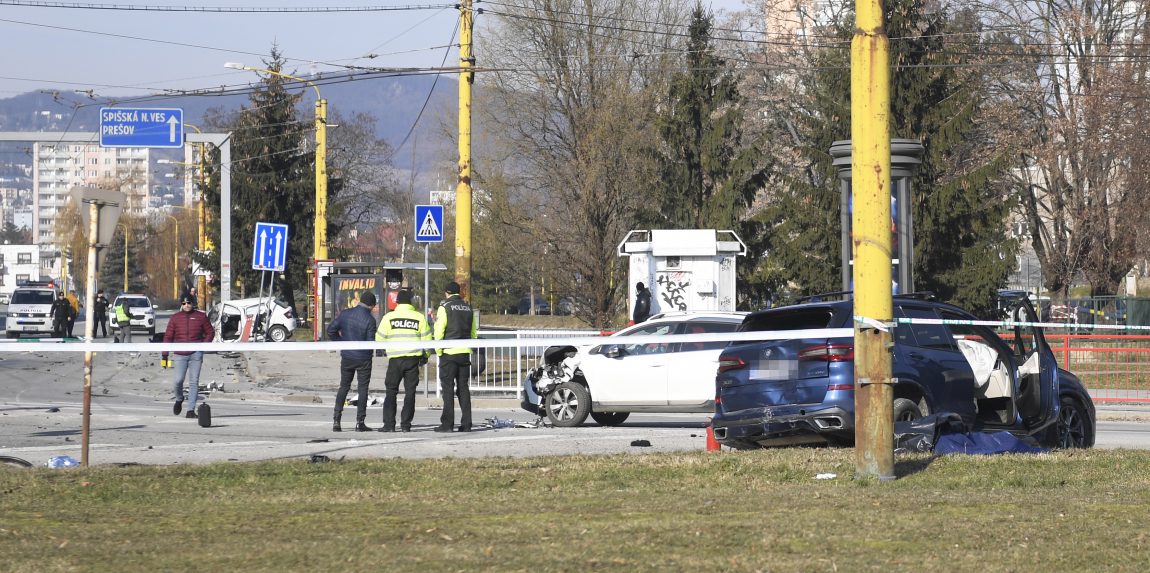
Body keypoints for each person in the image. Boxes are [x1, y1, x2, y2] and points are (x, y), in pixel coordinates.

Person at [375, 289, 432, 432]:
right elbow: (427, 340)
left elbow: (379, 338)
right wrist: (425, 356)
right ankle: (406, 425)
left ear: (397, 302)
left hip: (395, 359)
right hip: (413, 360)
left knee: (391, 391)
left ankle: (389, 425)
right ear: (411, 302)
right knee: (410, 392)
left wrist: (387, 348)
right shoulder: (419, 317)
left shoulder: (389, 317)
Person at [326, 290, 379, 432]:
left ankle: (336, 421)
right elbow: (370, 343)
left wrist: (341, 343)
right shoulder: (370, 320)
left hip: (347, 357)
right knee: (363, 390)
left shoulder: (345, 314)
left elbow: (331, 330)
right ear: (372, 305)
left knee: (343, 387)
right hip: (364, 360)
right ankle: (360, 422)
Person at [433, 281, 477, 433]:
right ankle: (467, 424)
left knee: (448, 389)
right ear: (458, 292)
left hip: (449, 354)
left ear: (447, 293)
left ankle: (447, 424)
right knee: (463, 389)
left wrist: (439, 351)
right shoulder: (468, 307)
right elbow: (473, 333)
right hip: (464, 353)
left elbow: (439, 332)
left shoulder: (444, 307)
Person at [163, 294, 215, 419]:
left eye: (189, 303)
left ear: (193, 304)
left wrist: (203, 346)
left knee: (194, 382)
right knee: (178, 381)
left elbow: (210, 332)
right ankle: (179, 399)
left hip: (196, 354)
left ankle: (190, 410)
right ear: (181, 305)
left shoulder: (201, 317)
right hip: (180, 354)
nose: (186, 305)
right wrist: (164, 355)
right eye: (184, 303)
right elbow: (168, 336)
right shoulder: (175, 318)